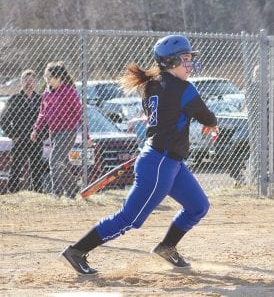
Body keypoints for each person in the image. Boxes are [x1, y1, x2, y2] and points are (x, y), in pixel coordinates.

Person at [60, 35, 217, 274]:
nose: (189, 63)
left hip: (168, 162)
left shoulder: (152, 84)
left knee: (198, 206)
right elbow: (208, 118)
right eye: (185, 59)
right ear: (170, 61)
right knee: (129, 218)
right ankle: (77, 251)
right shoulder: (184, 89)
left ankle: (167, 247)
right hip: (159, 163)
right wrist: (212, 124)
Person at [31, 61, 90, 199]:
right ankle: (72, 190)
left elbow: (79, 114)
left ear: (58, 78)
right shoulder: (47, 92)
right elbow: (42, 113)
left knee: (54, 160)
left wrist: (86, 136)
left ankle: (56, 193)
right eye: (46, 78)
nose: (47, 80)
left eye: (49, 77)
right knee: (61, 162)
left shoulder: (69, 92)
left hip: (67, 131)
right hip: (54, 132)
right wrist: (36, 129)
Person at [0, 70, 45, 193]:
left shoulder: (40, 99)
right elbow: (3, 119)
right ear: (21, 81)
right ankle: (13, 192)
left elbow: (46, 119)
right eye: (25, 80)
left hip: (36, 139)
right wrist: (13, 135)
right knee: (15, 167)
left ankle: (37, 192)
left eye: (31, 80)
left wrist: (42, 135)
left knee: (36, 168)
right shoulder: (14, 99)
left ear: (35, 82)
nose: (28, 83)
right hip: (19, 139)